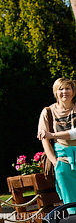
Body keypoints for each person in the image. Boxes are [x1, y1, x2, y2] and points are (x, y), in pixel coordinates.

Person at [38, 78, 76, 214]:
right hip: (63, 160)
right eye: (61, 89)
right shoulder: (48, 112)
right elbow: (44, 140)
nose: (64, 92)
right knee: (71, 202)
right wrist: (55, 162)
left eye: (68, 88)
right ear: (56, 92)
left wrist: (52, 135)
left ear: (73, 91)